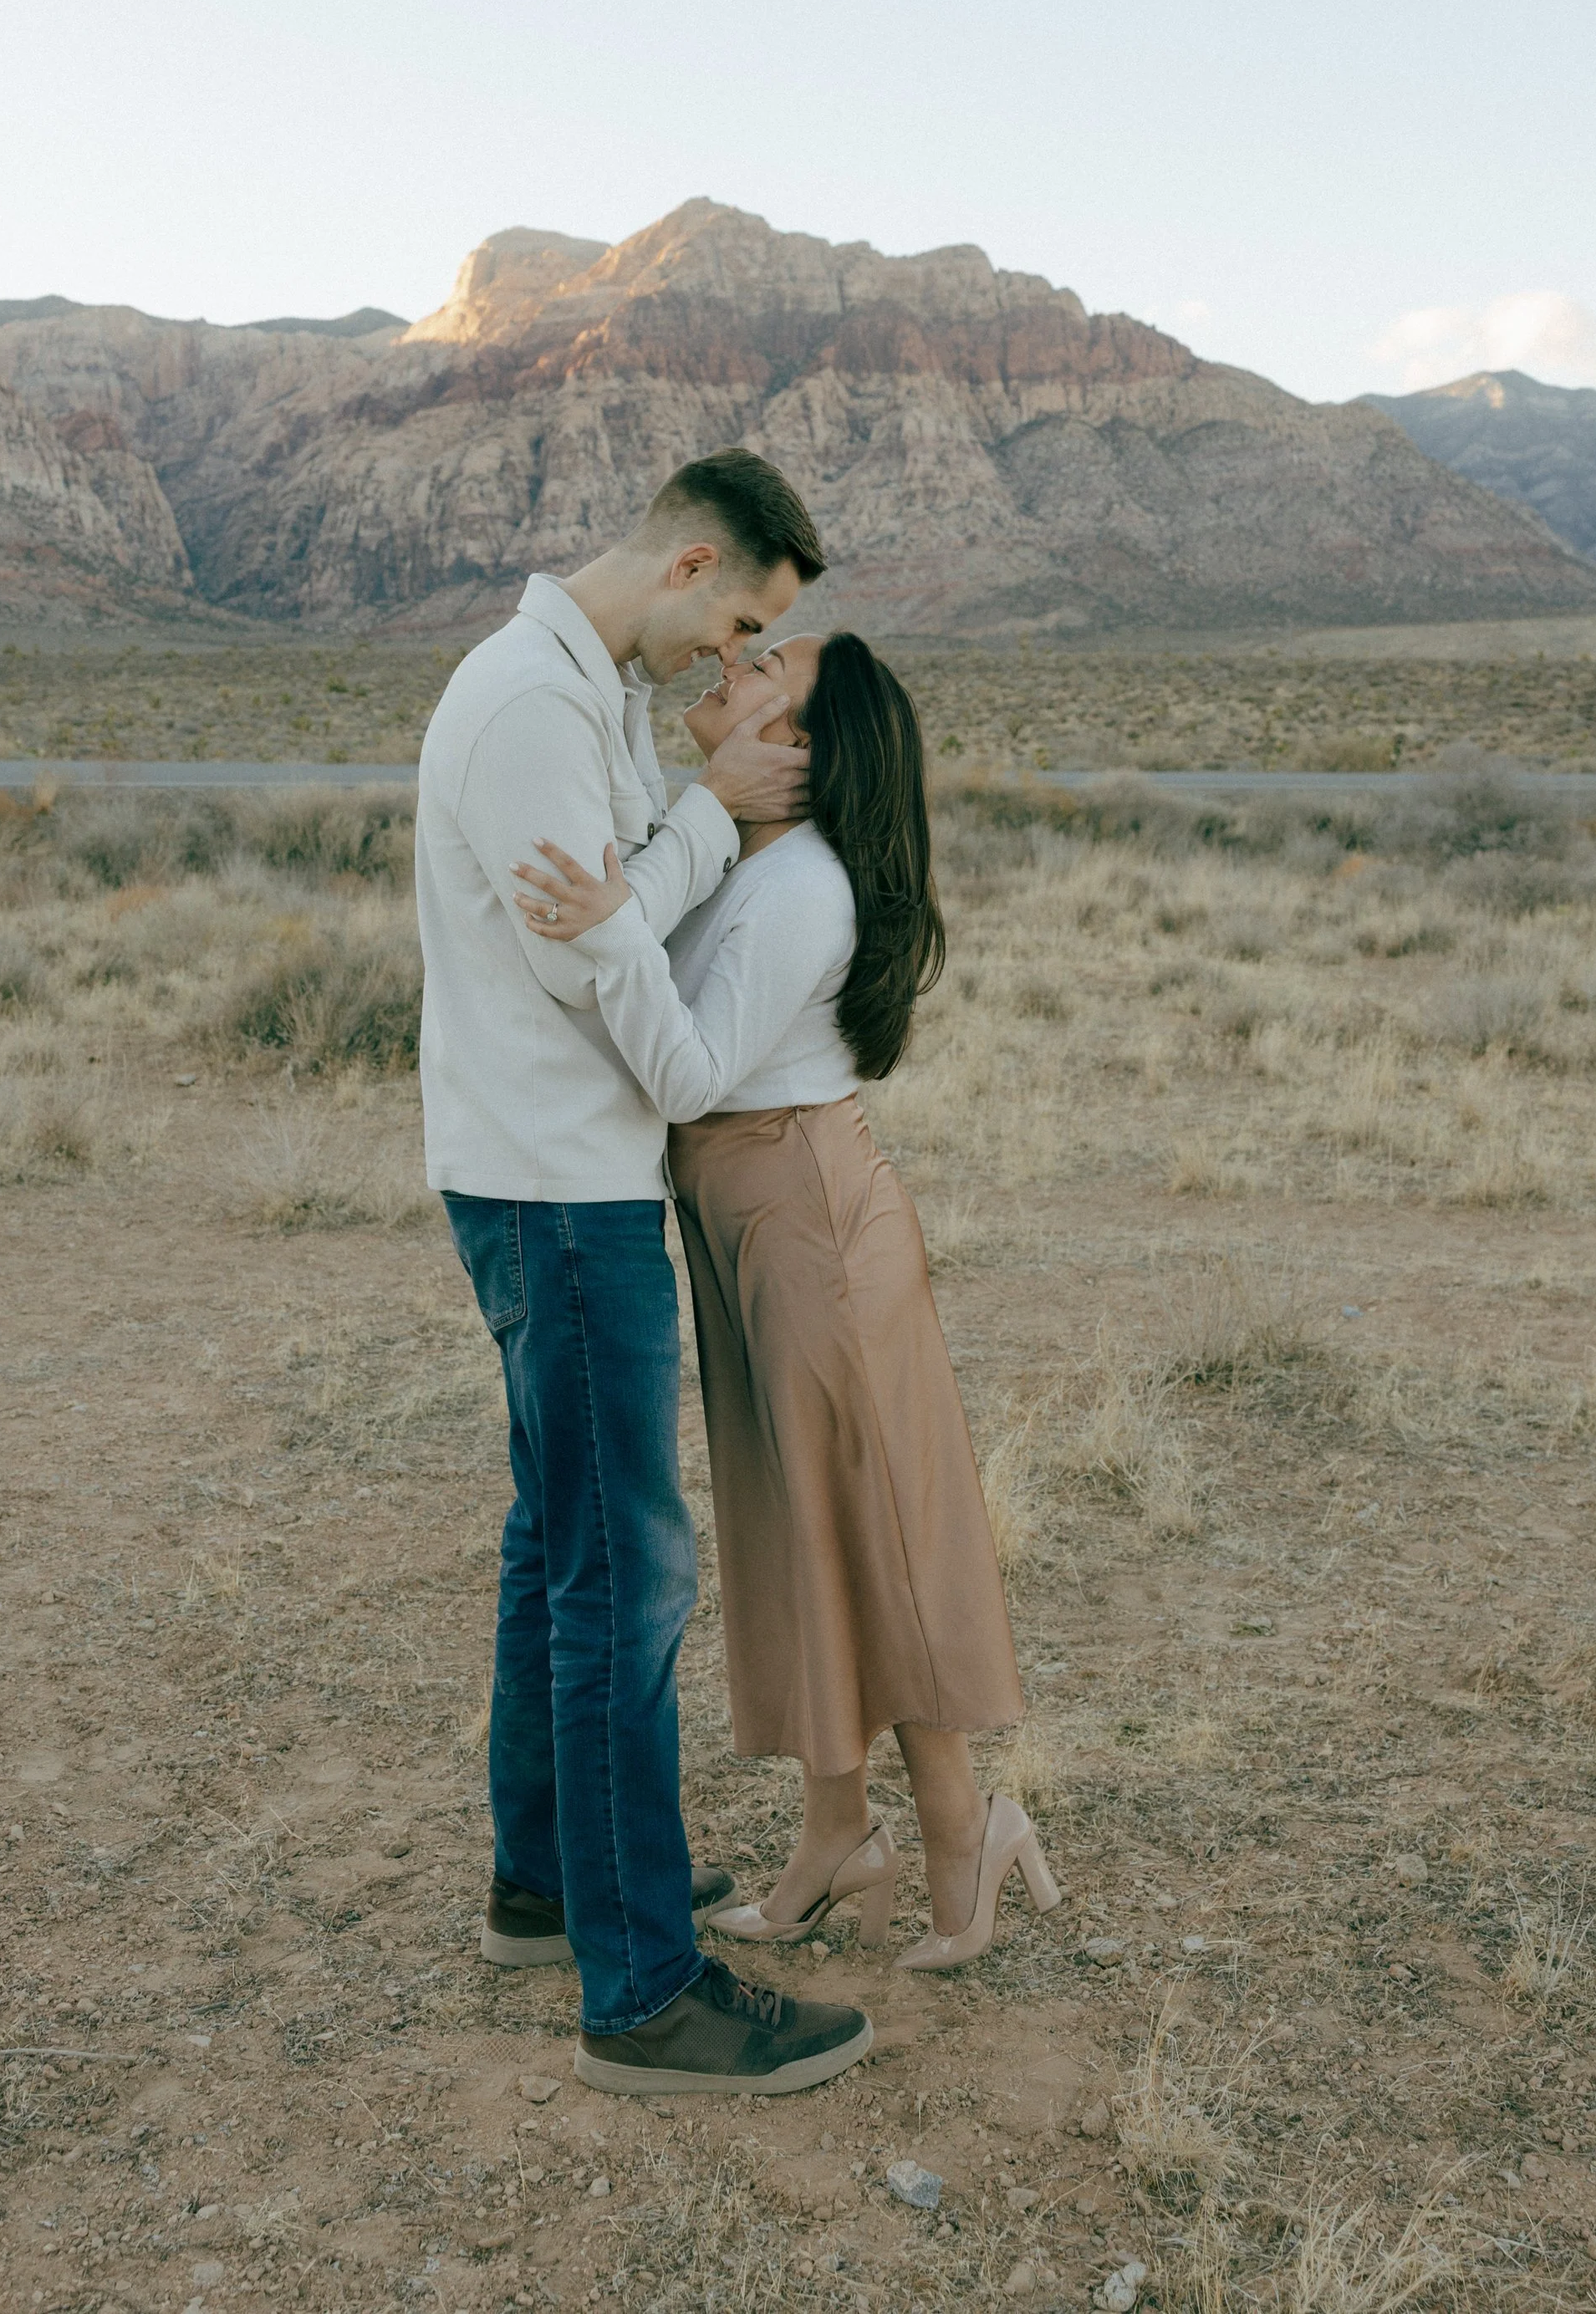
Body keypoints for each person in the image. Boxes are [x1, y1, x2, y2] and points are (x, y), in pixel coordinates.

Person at [416, 451, 875, 2097]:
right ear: (689, 564)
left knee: (560, 1543)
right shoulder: (537, 711)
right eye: (740, 620)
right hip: (558, 1182)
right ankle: (642, 1991)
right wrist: (709, 822)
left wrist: (665, 849)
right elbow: (582, 958)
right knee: (625, 1577)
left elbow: (623, 915)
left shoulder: (584, 690)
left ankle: (546, 1882)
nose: (728, 659)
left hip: (545, 1171)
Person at [513, 629, 1059, 1970]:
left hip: (805, 1208)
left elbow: (691, 1073)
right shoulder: (748, 861)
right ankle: (836, 1832)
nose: (735, 661)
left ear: (802, 747)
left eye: (768, 668)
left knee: (873, 1522)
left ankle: (962, 1823)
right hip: (750, 1215)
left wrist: (608, 935)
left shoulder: (803, 885)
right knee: (798, 1521)